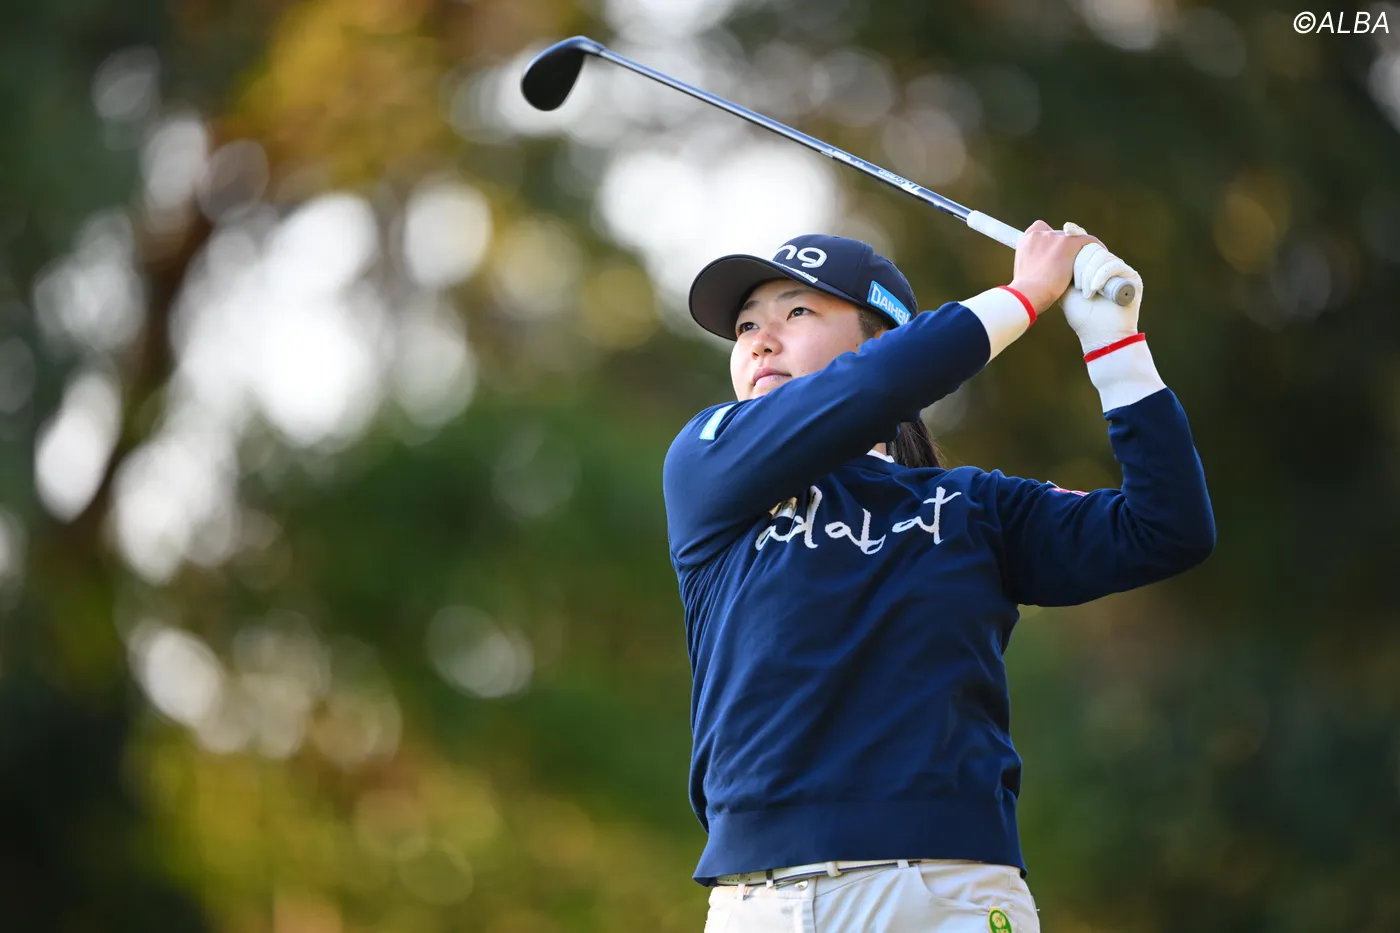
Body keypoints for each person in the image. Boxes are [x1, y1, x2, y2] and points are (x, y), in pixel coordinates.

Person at [661, 222, 1216, 932]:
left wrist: (1115, 344)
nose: (760, 341)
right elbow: (875, 384)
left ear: (882, 336)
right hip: (758, 903)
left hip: (947, 893)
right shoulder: (708, 465)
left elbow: (1166, 528)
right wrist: (1027, 292)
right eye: (746, 326)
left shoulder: (976, 507)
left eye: (796, 311)